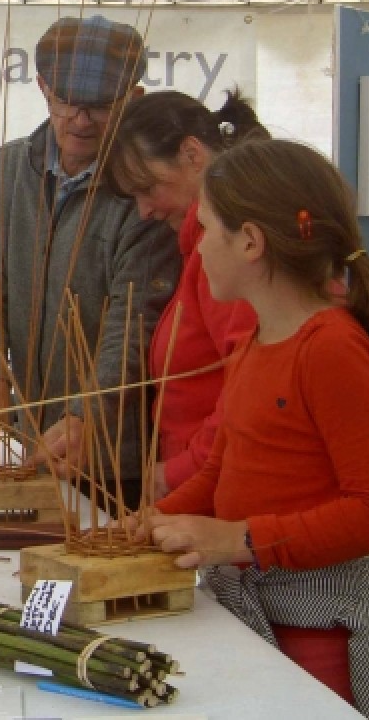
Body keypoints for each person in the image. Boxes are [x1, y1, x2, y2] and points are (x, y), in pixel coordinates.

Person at [144, 138, 369, 719]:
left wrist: (238, 540)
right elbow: (221, 469)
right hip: (259, 622)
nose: (197, 247)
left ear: (250, 241)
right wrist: (156, 521)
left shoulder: (331, 349)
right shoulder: (254, 343)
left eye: (205, 229)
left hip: (325, 643)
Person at [0, 15, 179, 510]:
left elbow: (134, 323)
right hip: (28, 437)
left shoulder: (142, 193)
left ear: (133, 99)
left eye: (100, 106)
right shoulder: (9, 170)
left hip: (113, 458)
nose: (81, 120)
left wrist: (87, 416)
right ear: (42, 88)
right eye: (66, 101)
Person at [100, 90, 265, 500]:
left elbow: (249, 390)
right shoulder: (199, 246)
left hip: (224, 490)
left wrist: (180, 472)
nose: (144, 211)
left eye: (148, 188)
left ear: (193, 154)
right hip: (207, 484)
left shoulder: (228, 253)